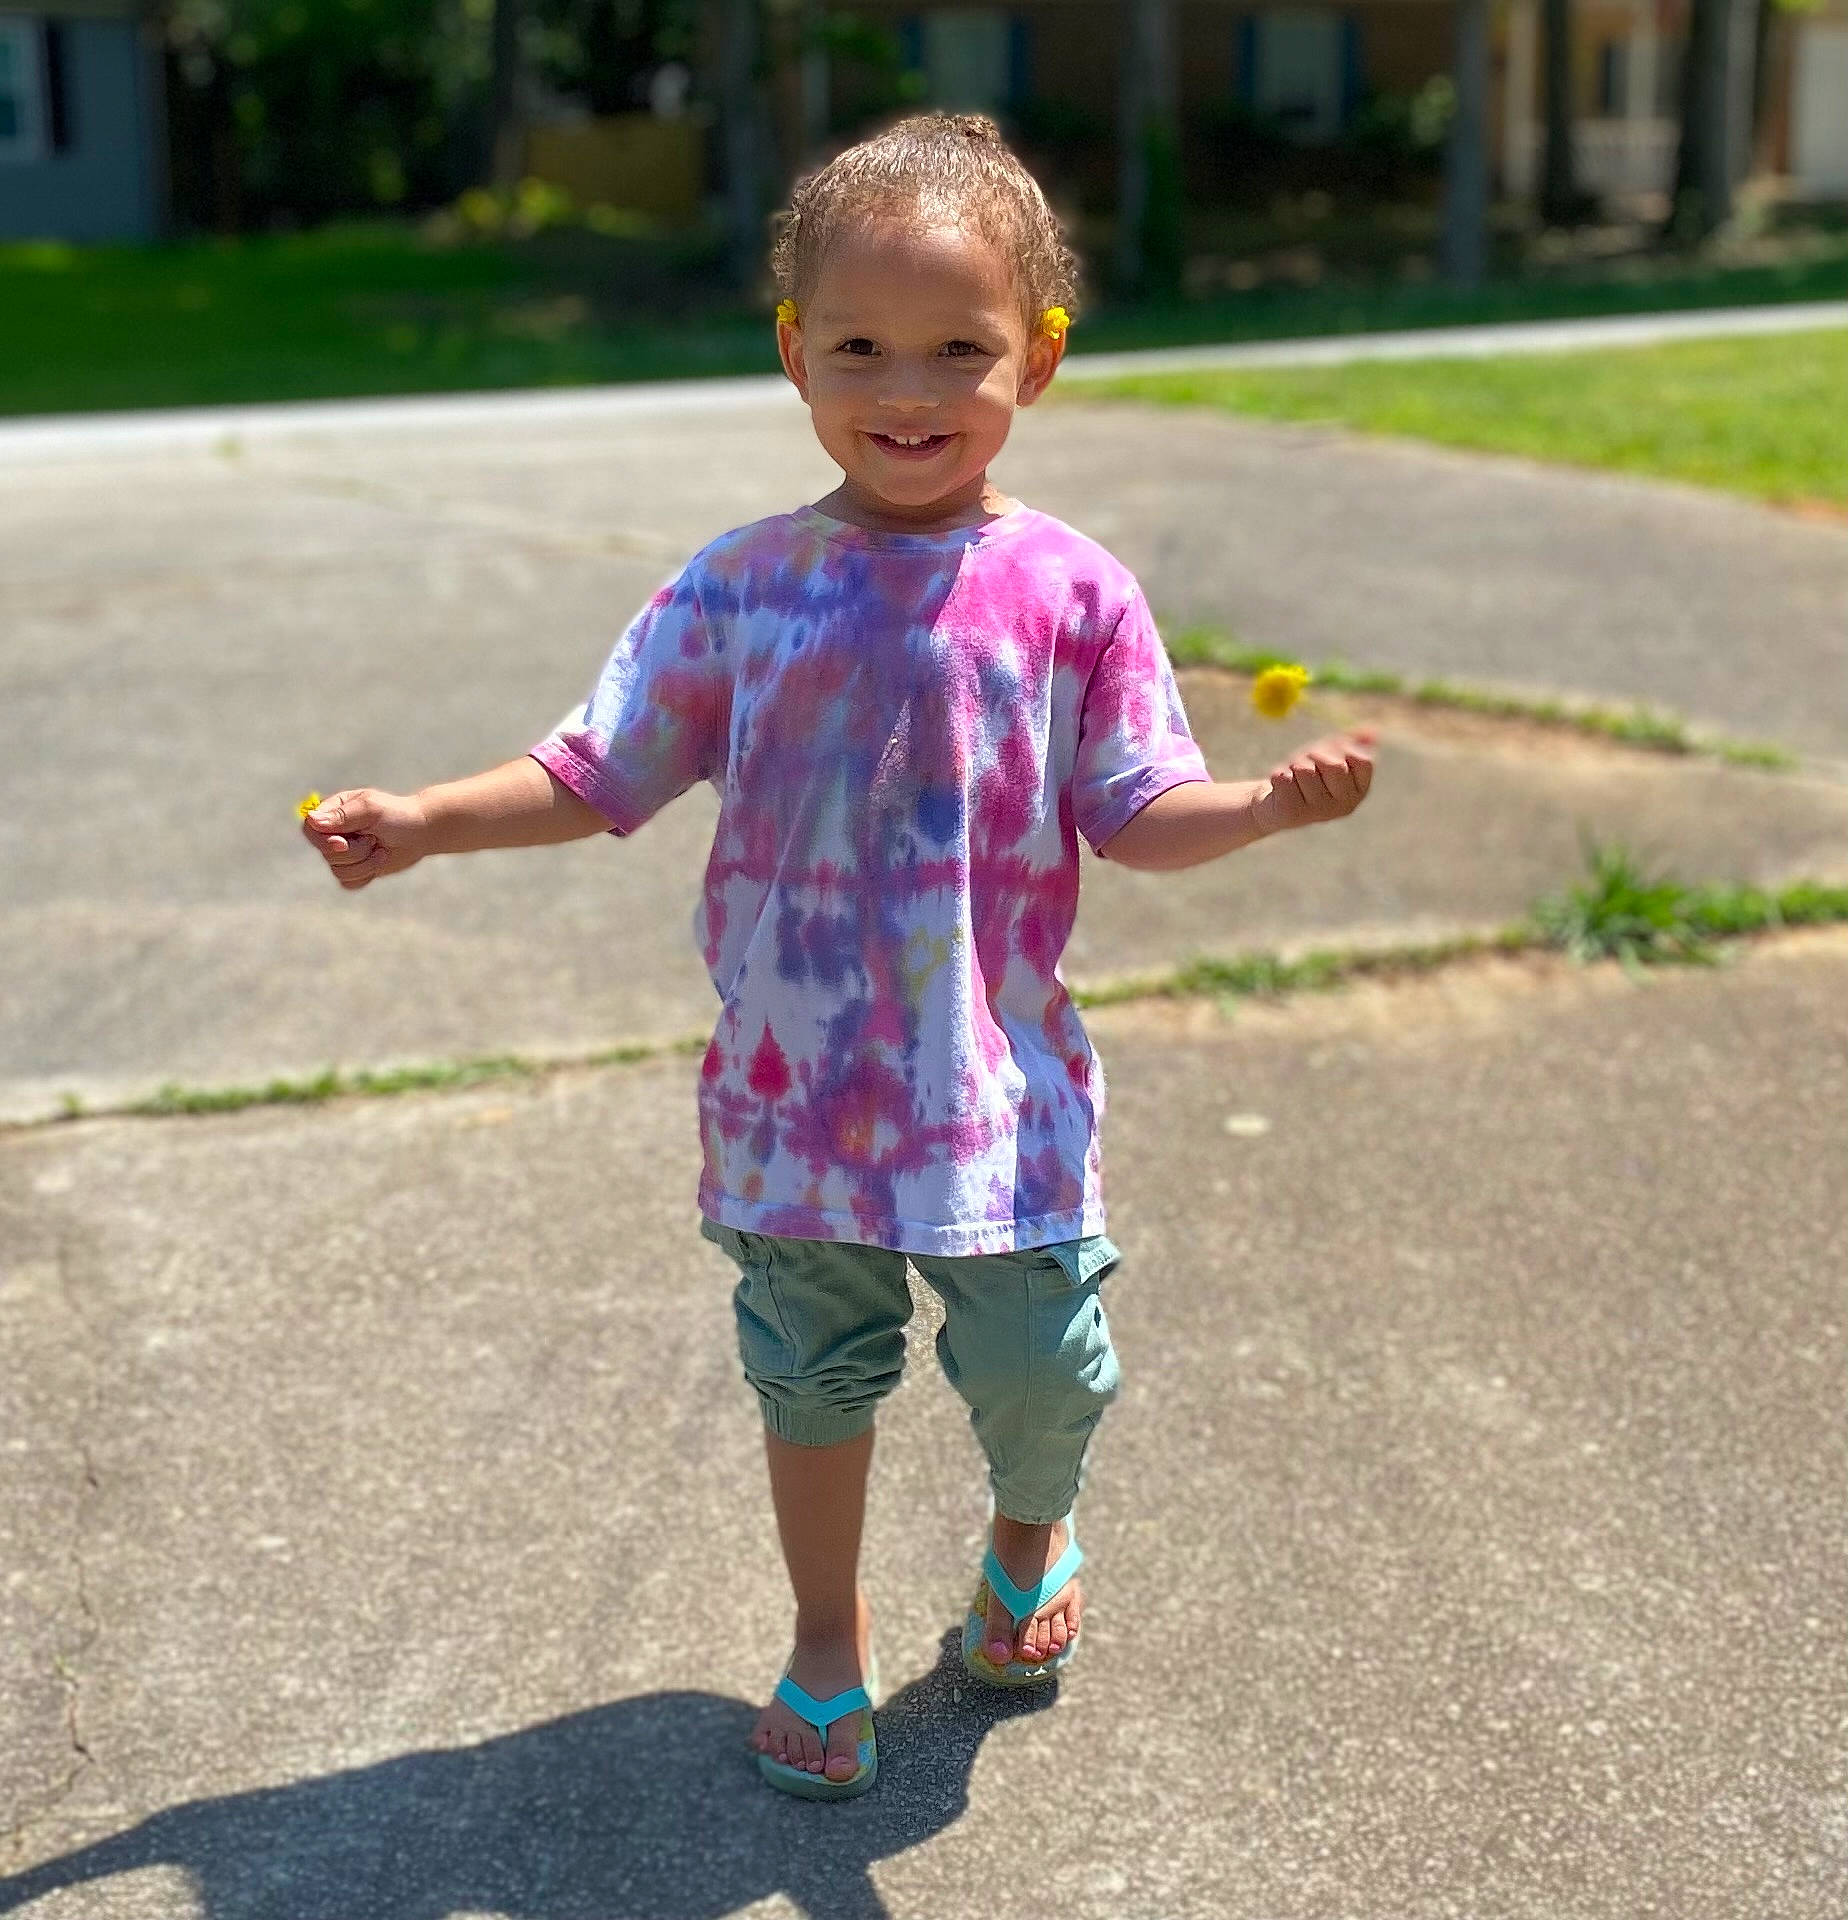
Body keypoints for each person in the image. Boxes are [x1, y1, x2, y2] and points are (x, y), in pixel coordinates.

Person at [301, 111, 1376, 1801]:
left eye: (963, 347)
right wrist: (431, 816)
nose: (912, 386)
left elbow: (1141, 808)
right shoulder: (745, 586)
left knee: (1046, 1372)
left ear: (1043, 356)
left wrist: (1252, 809)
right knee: (811, 1379)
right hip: (798, 1099)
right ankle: (825, 1635)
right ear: (795, 353)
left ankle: (1029, 1544)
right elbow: (599, 771)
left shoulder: (1074, 594)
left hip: (1000, 1105)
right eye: (863, 345)